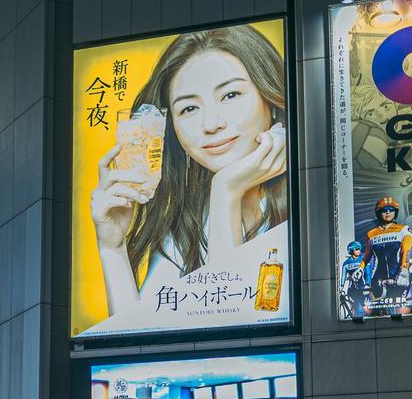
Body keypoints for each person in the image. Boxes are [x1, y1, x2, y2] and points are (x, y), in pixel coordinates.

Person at [87, 25, 289, 327]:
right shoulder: (185, 229)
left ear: (271, 99)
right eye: (189, 108)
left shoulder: (311, 198)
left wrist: (225, 191)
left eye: (230, 94)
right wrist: (112, 250)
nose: (211, 124)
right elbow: (139, 343)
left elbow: (232, 324)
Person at [364, 195, 412, 311]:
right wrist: (359, 270)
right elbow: (366, 258)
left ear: (395, 212)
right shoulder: (371, 234)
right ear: (379, 212)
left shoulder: (403, 229)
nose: (388, 212)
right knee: (373, 312)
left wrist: (404, 271)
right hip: (377, 280)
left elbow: (406, 252)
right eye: (385, 210)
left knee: (400, 311)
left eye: (391, 210)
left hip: (397, 277)